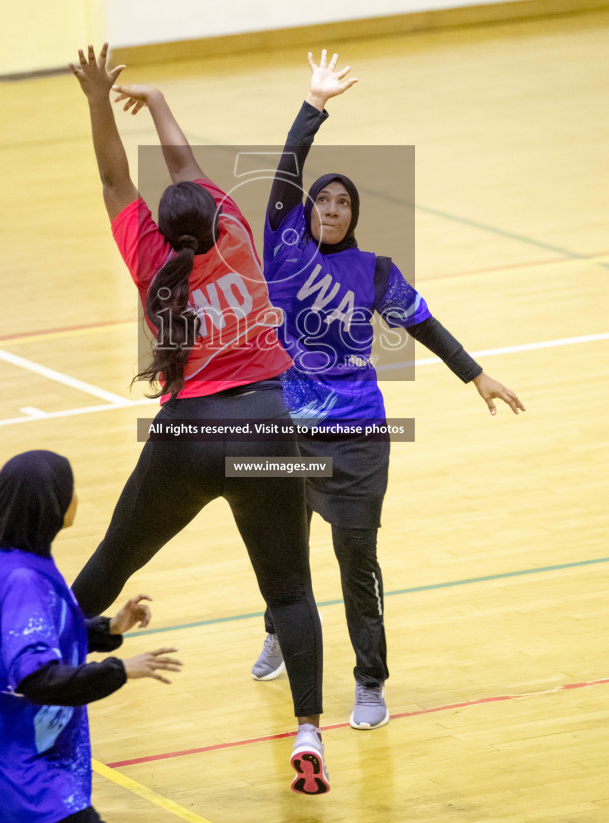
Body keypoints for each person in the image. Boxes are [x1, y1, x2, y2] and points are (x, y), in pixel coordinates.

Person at [67, 43, 329, 795]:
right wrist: (157, 104)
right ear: (218, 214)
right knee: (289, 591)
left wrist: (96, 100)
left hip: (186, 440)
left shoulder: (154, 266)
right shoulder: (239, 238)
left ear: (163, 231)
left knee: (112, 565)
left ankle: (33, 661)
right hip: (271, 428)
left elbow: (116, 179)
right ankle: (308, 730)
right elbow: (182, 172)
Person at [251, 50, 525, 730]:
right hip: (289, 431)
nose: (332, 208)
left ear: (354, 215)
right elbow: (285, 169)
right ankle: (280, 630)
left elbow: (424, 324)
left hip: (359, 441)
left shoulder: (374, 274)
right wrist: (312, 107)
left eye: (344, 203)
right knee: (281, 549)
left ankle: (369, 683)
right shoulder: (282, 252)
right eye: (323, 200)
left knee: (355, 561)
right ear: (307, 210)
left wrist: (474, 374)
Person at [0, 449, 182, 823]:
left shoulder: (17, 563)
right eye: (69, 487)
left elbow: (31, 638)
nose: (76, 496)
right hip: (32, 776)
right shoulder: (23, 581)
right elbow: (38, 679)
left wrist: (108, 629)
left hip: (22, 760)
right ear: (50, 502)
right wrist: (120, 670)